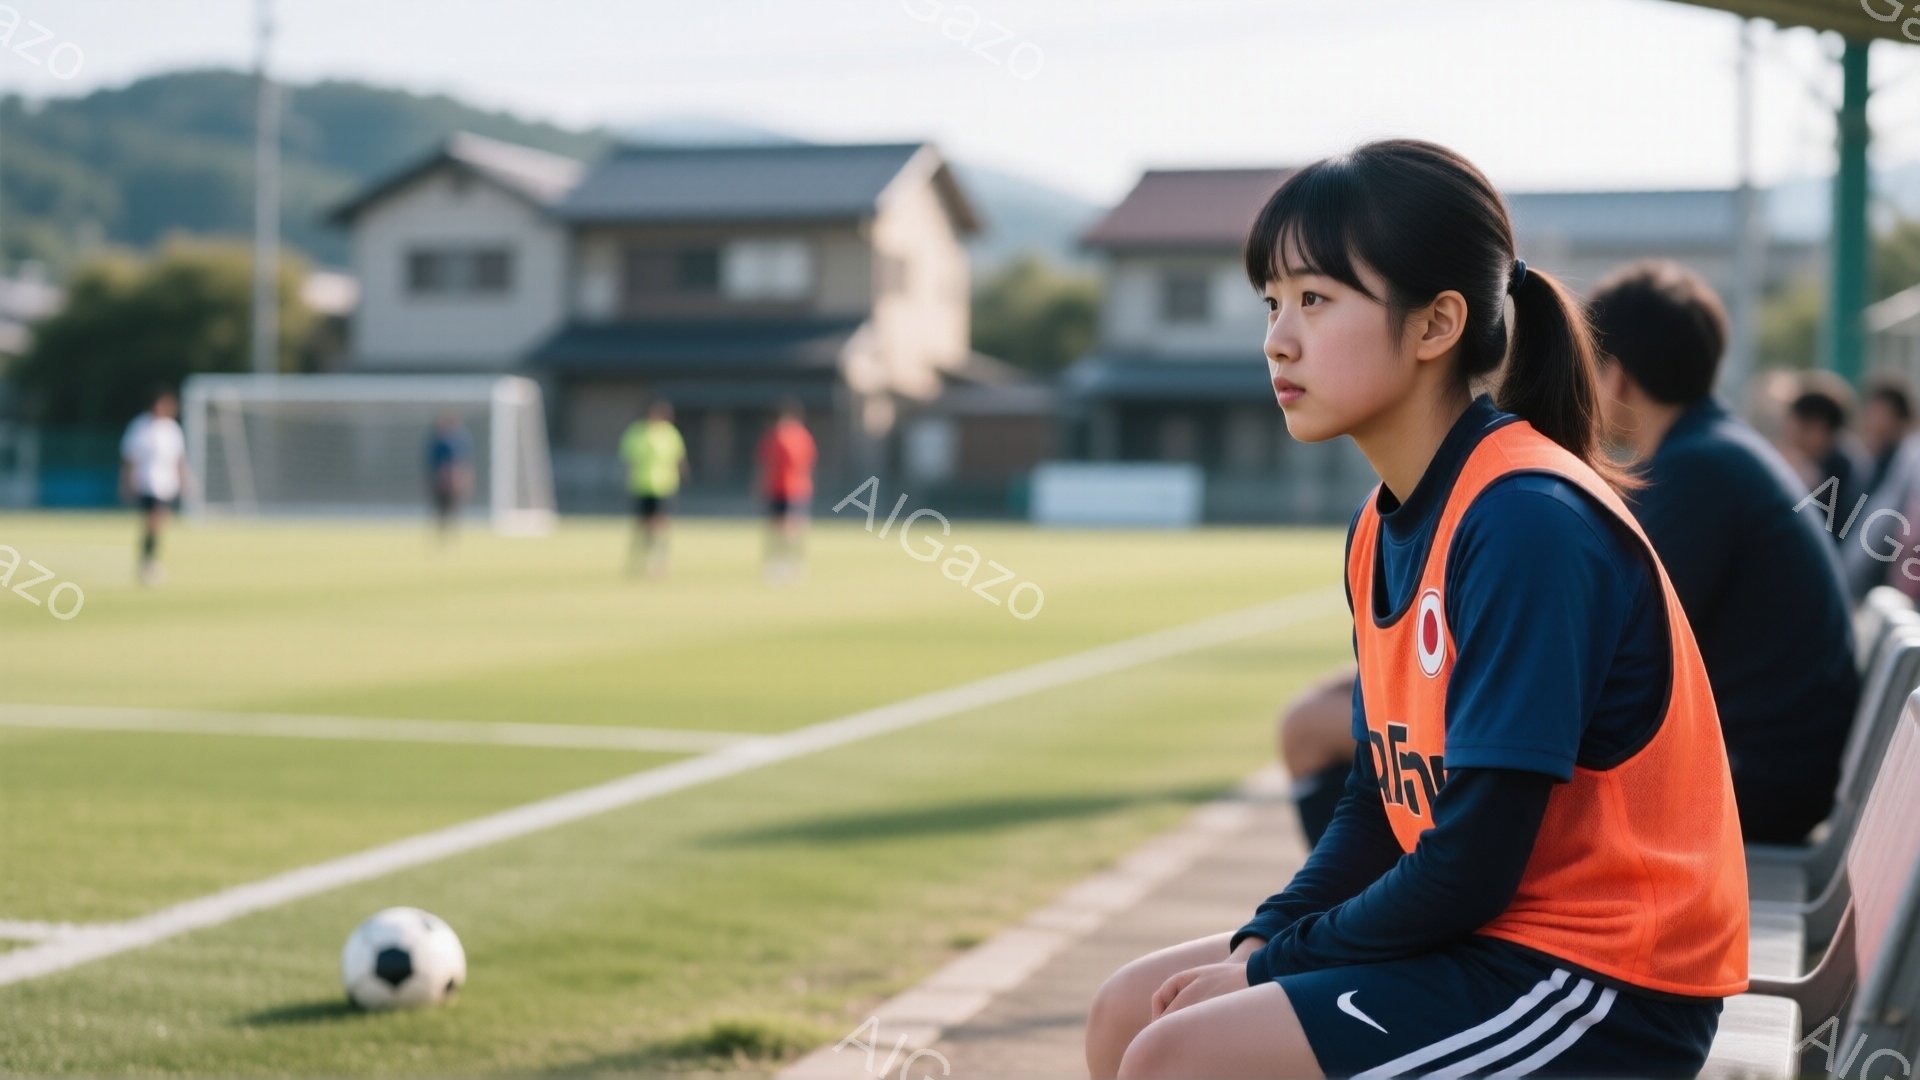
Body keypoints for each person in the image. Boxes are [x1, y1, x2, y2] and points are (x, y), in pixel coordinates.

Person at [1086, 140, 1747, 1080]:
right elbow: (1376, 798)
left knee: (1180, 1057)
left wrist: (1277, 966)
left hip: (1600, 983)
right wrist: (1265, 939)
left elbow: (1473, 859)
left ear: (1437, 323)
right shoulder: (1379, 526)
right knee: (1127, 1011)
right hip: (1489, 940)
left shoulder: (1526, 520)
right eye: (1272, 303)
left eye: (1315, 300)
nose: (1278, 337)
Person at [1586, 260, 1860, 845]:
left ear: (1617, 376)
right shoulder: (1718, 450)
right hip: (1776, 771)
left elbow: (1614, 649)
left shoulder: (1697, 469)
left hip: (1754, 782)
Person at [120, 384, 191, 586]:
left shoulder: (171, 429)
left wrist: (184, 481)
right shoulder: (140, 426)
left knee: (158, 524)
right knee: (154, 520)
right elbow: (130, 457)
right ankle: (148, 563)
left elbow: (178, 459)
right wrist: (127, 481)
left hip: (165, 484)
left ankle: (148, 560)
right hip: (146, 482)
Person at [1779, 376, 1866, 537]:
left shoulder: (1840, 468)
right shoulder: (1819, 462)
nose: (1791, 436)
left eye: (1801, 427)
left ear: (1819, 428)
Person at [620, 400, 688, 578]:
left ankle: (658, 563)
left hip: (664, 486)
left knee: (660, 525)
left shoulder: (670, 434)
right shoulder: (637, 432)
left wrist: (683, 477)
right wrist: (627, 479)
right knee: (641, 525)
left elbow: (679, 459)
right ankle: (636, 561)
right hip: (642, 485)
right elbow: (628, 459)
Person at [755, 398, 817, 584]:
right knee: (786, 528)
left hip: (791, 489)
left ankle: (786, 564)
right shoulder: (790, 437)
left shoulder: (786, 437)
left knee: (787, 528)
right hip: (786, 489)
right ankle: (782, 564)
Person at [1858, 375, 1913, 496]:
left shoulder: (1910, 465)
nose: (1871, 423)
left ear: (1901, 421)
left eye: (1880, 416)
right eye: (1869, 413)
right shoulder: (1868, 465)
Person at [424, 411, 473, 543]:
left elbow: (461, 464)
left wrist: (460, 479)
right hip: (440, 483)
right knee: (441, 510)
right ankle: (442, 535)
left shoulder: (456, 442)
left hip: (451, 484)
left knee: (452, 509)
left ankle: (450, 536)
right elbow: (432, 464)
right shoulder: (437, 443)